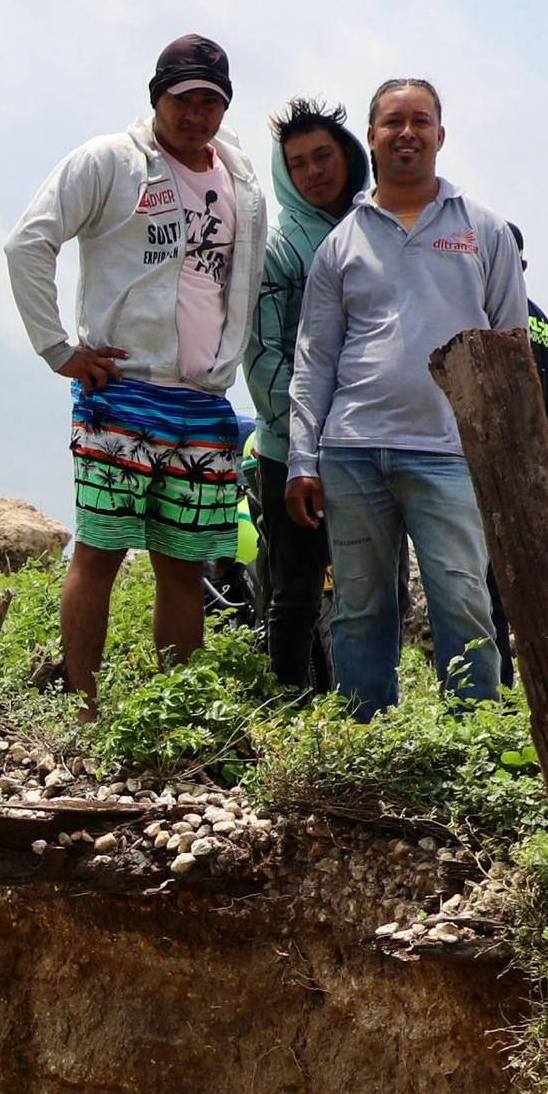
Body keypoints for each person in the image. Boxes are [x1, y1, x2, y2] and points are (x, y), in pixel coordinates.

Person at [5, 34, 269, 714]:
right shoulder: (110, 162)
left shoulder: (240, 179)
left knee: (183, 565)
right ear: (158, 97)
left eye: (210, 101)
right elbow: (28, 241)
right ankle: (83, 708)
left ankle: (170, 717)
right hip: (120, 389)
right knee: (100, 553)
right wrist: (57, 348)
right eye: (184, 99)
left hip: (203, 398)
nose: (196, 114)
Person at [281, 78, 526, 718]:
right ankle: (367, 741)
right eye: (393, 122)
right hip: (352, 450)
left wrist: (506, 458)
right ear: (373, 138)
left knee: (463, 601)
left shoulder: (483, 230)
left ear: (440, 135)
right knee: (360, 607)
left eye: (420, 121)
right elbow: (314, 357)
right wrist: (303, 461)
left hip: (449, 452)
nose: (407, 133)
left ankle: (474, 749)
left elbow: (512, 349)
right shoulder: (343, 242)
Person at [241, 99, 367, 696]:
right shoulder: (278, 250)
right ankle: (285, 714)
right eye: (297, 163)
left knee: (372, 590)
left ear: (348, 155)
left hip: (371, 444)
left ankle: (369, 718)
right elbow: (262, 356)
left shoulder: (380, 232)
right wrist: (302, 441)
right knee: (293, 592)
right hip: (286, 449)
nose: (314, 172)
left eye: (324, 156)